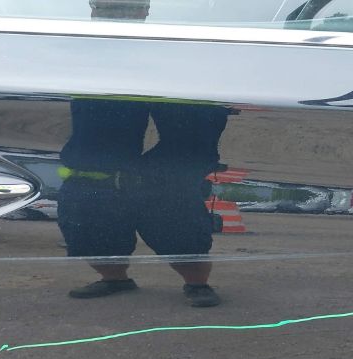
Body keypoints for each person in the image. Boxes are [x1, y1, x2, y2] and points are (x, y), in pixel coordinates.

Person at [55, 0, 229, 307]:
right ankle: (115, 278)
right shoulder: (75, 55)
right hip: (98, 166)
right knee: (88, 221)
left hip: (166, 164)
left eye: (125, 5)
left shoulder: (176, 55)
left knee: (177, 217)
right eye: (103, 4)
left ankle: (197, 283)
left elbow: (196, 136)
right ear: (92, 8)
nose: (112, 11)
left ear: (145, 10)